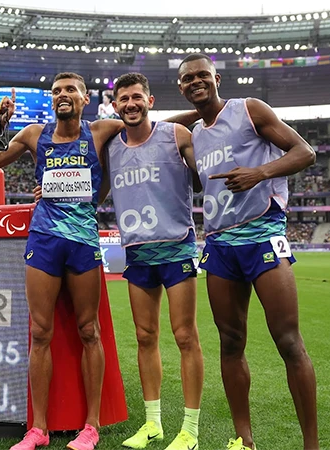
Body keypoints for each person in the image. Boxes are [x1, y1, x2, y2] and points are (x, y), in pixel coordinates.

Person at [0, 73, 124, 450]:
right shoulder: (33, 135)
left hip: (83, 241)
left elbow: (143, 131)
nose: (62, 95)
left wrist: (96, 195)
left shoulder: (102, 130)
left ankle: (91, 427)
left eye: (70, 90)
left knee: (89, 331)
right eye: (56, 91)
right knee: (40, 333)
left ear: (85, 98)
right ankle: (37, 429)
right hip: (44, 240)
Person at [177, 54, 318, 450]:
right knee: (230, 341)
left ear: (217, 78)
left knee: (288, 340)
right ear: (182, 88)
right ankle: (244, 440)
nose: (196, 82)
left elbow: (305, 152)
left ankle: (312, 445)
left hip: (262, 234)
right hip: (220, 243)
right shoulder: (191, 136)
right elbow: (158, 129)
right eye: (188, 79)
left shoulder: (249, 110)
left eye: (202, 75)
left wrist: (260, 173)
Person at [104, 73, 204, 450]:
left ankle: (190, 430)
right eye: (123, 99)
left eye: (136, 97)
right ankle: (153, 425)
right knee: (145, 338)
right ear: (115, 106)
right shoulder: (111, 147)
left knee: (185, 336)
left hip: (176, 246)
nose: (130, 104)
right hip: (137, 252)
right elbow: (93, 193)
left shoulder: (176, 136)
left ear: (150, 100)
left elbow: (203, 175)